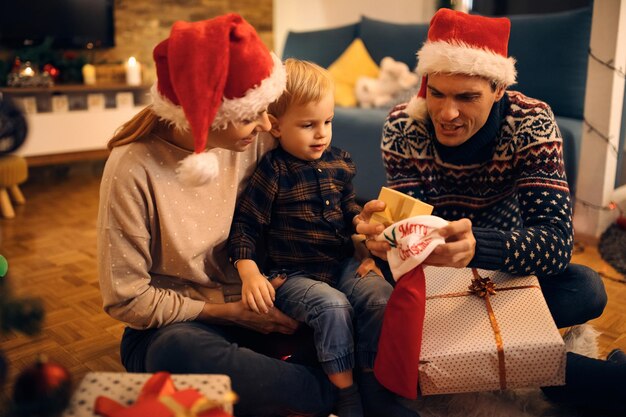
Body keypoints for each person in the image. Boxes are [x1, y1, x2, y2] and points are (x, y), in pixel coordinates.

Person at [356, 8, 626, 414]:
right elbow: (405, 230)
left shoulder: (531, 122)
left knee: (586, 289)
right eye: (437, 93)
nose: (447, 113)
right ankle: (605, 383)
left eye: (467, 97)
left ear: (498, 88)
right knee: (386, 302)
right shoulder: (402, 126)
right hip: (433, 279)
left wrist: (477, 246)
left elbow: (554, 244)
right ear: (425, 83)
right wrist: (382, 235)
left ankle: (466, 349)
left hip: (504, 267)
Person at [97, 14, 343, 417]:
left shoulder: (258, 138)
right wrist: (228, 313)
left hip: (261, 305)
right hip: (182, 324)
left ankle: (296, 388)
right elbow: (127, 299)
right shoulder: (131, 168)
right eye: (252, 115)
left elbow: (316, 189)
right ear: (206, 116)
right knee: (180, 354)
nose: (267, 124)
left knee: (335, 311)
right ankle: (332, 395)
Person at [228, 59, 417, 417]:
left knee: (379, 297)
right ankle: (345, 396)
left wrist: (362, 222)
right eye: (308, 125)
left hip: (340, 263)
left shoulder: (339, 163)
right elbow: (246, 226)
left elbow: (348, 214)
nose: (321, 134)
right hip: (293, 275)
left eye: (327, 122)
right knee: (333, 307)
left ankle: (374, 385)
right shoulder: (273, 170)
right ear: (276, 127)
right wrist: (249, 271)